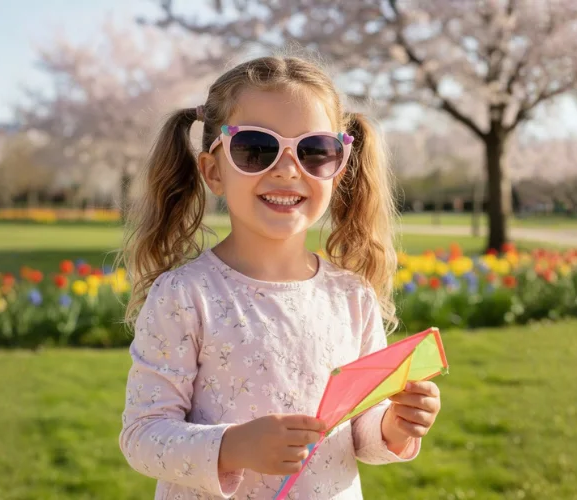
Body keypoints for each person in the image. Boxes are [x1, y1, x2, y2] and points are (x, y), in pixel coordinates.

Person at [119, 55, 442, 499]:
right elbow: (142, 436)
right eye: (256, 149)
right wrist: (233, 446)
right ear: (213, 170)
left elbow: (357, 428)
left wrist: (395, 425)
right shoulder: (185, 296)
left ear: (338, 169)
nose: (289, 169)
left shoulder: (351, 295)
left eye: (314, 151)